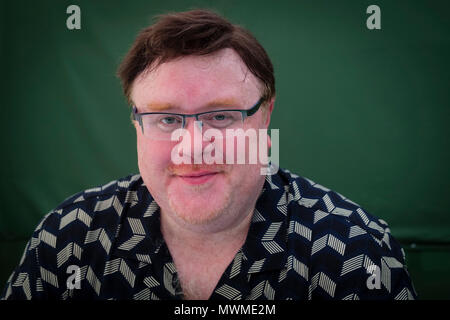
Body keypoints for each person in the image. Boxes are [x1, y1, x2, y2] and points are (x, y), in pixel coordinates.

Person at [1, 9, 416, 300]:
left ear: (265, 119)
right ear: (136, 126)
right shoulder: (68, 241)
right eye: (166, 119)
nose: (194, 146)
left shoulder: (353, 252)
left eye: (221, 115)